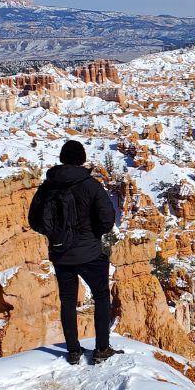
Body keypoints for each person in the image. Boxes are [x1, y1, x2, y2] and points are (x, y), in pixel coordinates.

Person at [28, 139, 122, 365]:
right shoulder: (90, 185)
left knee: (68, 300)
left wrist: (55, 235)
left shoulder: (48, 185)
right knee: (101, 296)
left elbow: (34, 220)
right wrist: (93, 235)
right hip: (89, 252)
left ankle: (72, 351)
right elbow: (108, 219)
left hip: (60, 253)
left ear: (62, 158)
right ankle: (101, 348)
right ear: (81, 159)